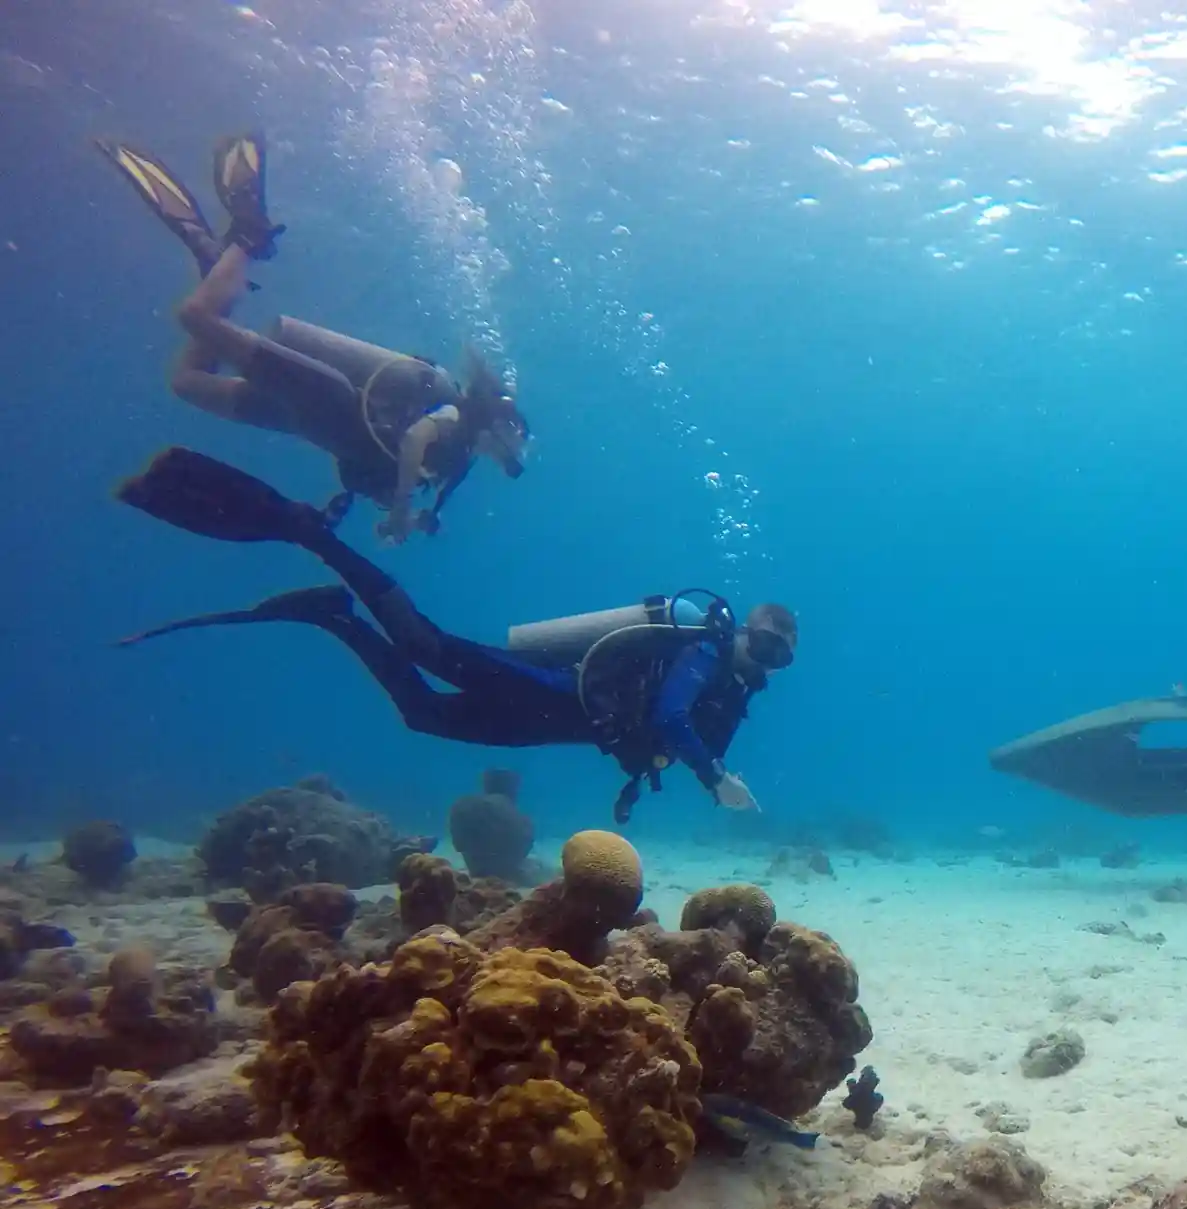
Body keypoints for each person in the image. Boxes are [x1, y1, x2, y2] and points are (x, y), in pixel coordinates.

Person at [111, 446, 798, 823]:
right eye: (764, 639)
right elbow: (673, 714)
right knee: (428, 646)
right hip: (554, 691)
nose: (765, 655)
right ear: (743, 630)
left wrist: (683, 770)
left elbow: (666, 738)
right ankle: (314, 537)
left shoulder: (734, 693)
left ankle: (336, 615)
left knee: (424, 714)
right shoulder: (704, 648)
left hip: (555, 722)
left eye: (779, 655)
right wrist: (713, 781)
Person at [96, 131, 530, 542]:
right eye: (517, 436)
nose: (515, 451)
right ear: (498, 420)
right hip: (326, 397)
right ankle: (246, 237)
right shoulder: (457, 420)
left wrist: (405, 515)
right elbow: (415, 438)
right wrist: (400, 508)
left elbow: (390, 463)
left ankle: (221, 264)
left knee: (187, 382)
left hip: (309, 422)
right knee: (193, 317)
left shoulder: (459, 462)